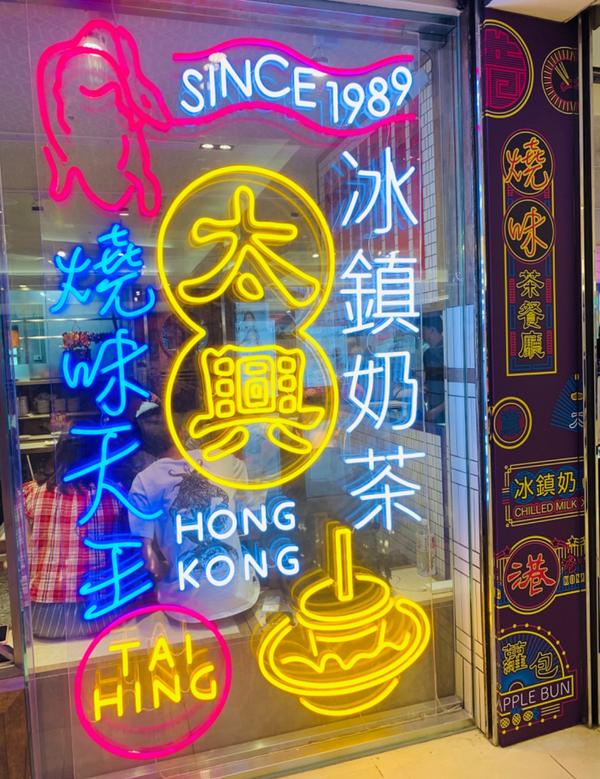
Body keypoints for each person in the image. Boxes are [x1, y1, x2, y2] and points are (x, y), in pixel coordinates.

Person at [127, 406, 260, 621]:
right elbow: (253, 508)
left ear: (144, 445)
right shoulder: (223, 459)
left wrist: (166, 573)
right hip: (241, 596)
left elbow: (149, 562)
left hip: (185, 609)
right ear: (182, 433)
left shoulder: (144, 481)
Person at [23, 435, 124, 639]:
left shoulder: (31, 493)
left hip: (41, 618)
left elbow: (23, 551)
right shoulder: (112, 494)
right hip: (98, 613)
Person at [422, 314, 445, 424]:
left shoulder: (449, 352)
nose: (420, 334)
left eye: (423, 330)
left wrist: (437, 410)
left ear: (432, 330)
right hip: (432, 410)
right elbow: (427, 381)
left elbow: (455, 389)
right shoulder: (427, 354)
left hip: (447, 412)